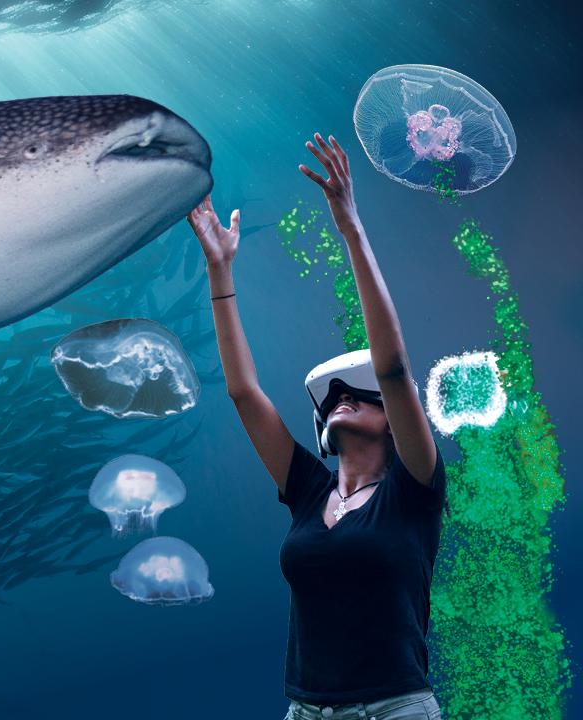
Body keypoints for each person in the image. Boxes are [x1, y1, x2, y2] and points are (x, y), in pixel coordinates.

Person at [186, 133, 447, 720]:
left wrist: (351, 228)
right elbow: (243, 392)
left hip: (395, 710)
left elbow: (393, 367)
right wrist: (219, 269)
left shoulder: (414, 492)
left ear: (395, 420)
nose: (341, 400)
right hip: (306, 711)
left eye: (361, 396)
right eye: (333, 398)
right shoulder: (308, 491)